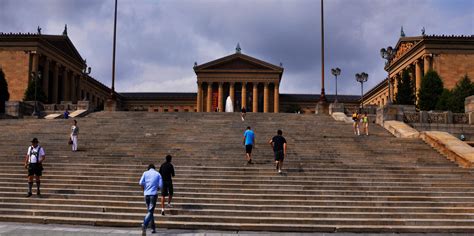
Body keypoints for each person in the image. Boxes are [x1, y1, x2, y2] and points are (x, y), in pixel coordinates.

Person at [139, 164, 163, 235]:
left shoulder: (145, 173)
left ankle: (153, 228)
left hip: (146, 194)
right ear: (154, 168)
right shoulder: (158, 174)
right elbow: (161, 185)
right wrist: (157, 188)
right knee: (150, 211)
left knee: (150, 211)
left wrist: (145, 188)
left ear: (148, 168)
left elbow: (140, 183)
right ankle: (144, 224)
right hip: (153, 194)